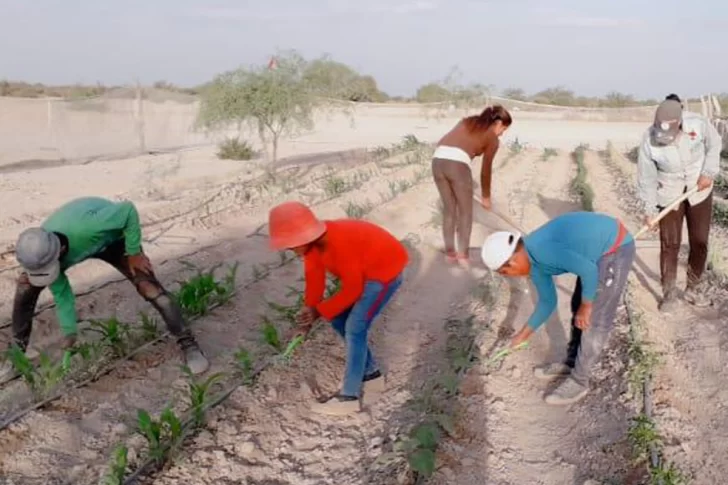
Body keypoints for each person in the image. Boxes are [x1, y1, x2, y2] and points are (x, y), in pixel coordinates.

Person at [0, 196, 209, 384]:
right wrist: (70, 331)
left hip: (113, 239)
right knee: (26, 287)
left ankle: (188, 344)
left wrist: (134, 251)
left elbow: (128, 209)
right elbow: (62, 294)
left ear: (60, 250)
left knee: (150, 289)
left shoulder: (89, 227)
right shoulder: (45, 257)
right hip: (85, 242)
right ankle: (17, 357)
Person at [268, 201, 408, 416]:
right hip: (364, 274)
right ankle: (371, 376)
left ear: (304, 237)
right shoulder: (312, 247)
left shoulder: (339, 242)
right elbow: (314, 280)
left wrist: (318, 312)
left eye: (290, 244)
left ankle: (349, 397)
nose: (289, 249)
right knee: (336, 317)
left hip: (383, 273)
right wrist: (308, 316)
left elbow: (353, 289)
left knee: (355, 326)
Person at [480, 211, 635, 405]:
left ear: (512, 262)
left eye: (506, 272)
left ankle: (580, 381)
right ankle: (571, 361)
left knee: (593, 318)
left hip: (614, 248)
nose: (511, 276)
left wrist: (587, 305)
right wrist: (524, 335)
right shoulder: (533, 264)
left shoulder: (541, 250)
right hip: (594, 255)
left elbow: (588, 270)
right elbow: (547, 302)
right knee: (577, 305)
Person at [637, 98, 722, 311]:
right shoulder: (648, 140)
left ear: (680, 123)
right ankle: (669, 293)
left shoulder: (699, 124)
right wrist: (649, 210)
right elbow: (646, 178)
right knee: (670, 243)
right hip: (669, 192)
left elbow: (715, 144)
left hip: (698, 188)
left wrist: (708, 172)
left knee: (700, 241)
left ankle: (693, 287)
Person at [431, 105, 512, 265]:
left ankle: (450, 254)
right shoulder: (492, 139)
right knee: (465, 213)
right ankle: (463, 256)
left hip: (437, 161)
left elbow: (446, 142)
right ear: (498, 123)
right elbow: (485, 170)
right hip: (457, 165)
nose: (502, 133)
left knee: (449, 210)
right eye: (504, 128)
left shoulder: (467, 122)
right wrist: (486, 197)